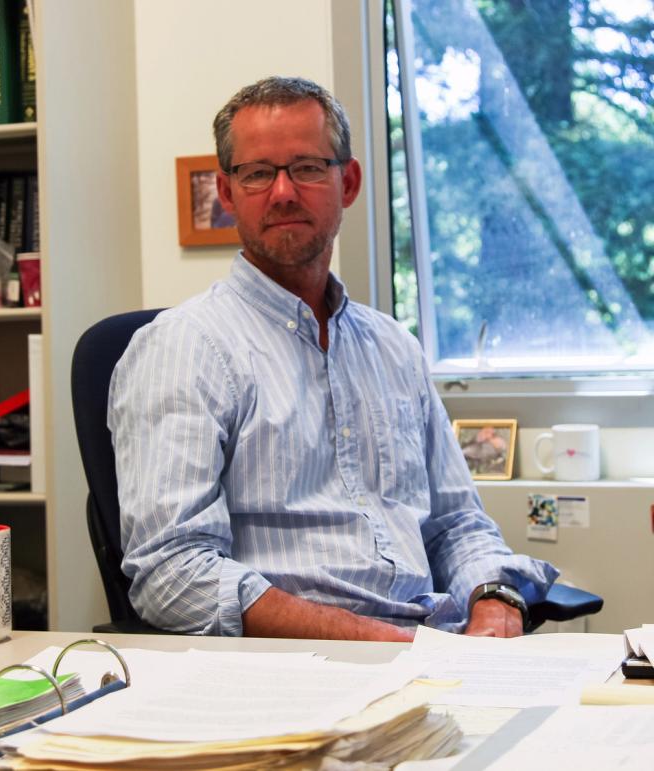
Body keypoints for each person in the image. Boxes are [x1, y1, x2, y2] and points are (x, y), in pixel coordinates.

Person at [109, 76, 558, 641]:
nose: (282, 192)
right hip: (301, 664)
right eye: (257, 173)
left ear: (348, 182)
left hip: (432, 649)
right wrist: (372, 638)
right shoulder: (183, 348)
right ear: (226, 193)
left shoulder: (394, 348)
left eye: (307, 167)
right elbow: (171, 574)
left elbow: (456, 524)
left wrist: (495, 602)